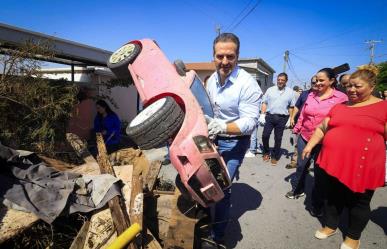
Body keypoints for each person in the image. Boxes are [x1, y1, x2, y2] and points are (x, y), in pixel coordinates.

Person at [302, 65, 386, 249]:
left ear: (372, 87)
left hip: (364, 165)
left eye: (357, 86)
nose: (351, 90)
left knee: (358, 203)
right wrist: (310, 145)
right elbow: (322, 128)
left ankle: (353, 237)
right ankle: (331, 226)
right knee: (332, 198)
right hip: (331, 162)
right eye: (349, 86)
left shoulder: (383, 107)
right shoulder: (339, 106)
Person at [204, 33, 262, 248]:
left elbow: (250, 122)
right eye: (220, 56)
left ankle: (217, 236)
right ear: (213, 56)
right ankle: (205, 216)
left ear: (238, 56)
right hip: (212, 139)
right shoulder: (211, 80)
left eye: (231, 56)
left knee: (221, 188)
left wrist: (223, 126)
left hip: (234, 143)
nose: (225, 62)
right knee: (204, 181)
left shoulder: (247, 84)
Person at [286, 68, 348, 216]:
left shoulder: (341, 98)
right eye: (316, 80)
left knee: (321, 174)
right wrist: (297, 129)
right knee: (301, 166)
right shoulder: (310, 95)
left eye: (321, 80)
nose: (318, 83)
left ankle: (317, 203)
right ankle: (298, 190)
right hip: (305, 137)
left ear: (332, 81)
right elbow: (303, 114)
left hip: (326, 141)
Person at [259, 73, 296, 166]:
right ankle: (266, 152)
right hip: (270, 116)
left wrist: (290, 119)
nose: (280, 81)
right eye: (278, 79)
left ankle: (275, 156)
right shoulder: (270, 90)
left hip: (282, 118)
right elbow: (264, 102)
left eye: (282, 80)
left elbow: (291, 107)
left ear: (286, 81)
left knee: (278, 138)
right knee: (265, 135)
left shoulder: (290, 92)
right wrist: (262, 114)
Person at [286, 76, 318, 169]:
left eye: (317, 82)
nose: (315, 84)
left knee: (313, 145)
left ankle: (308, 164)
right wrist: (292, 118)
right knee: (297, 143)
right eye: (313, 82)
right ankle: (294, 161)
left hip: (315, 125)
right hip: (300, 122)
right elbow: (297, 106)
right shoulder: (304, 94)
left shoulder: (322, 95)